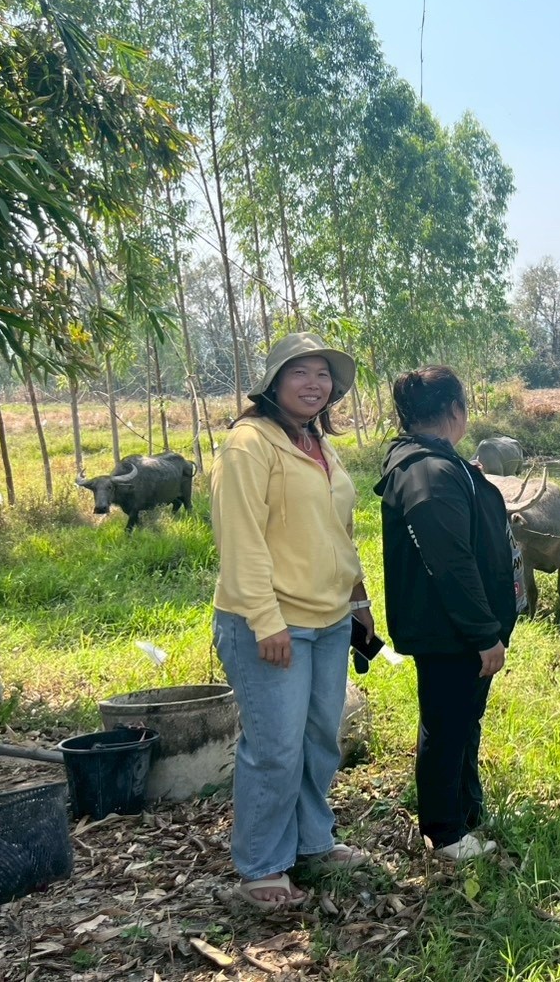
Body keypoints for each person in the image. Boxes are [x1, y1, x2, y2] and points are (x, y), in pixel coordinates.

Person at [211, 332, 371, 910]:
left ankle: (312, 840)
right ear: (274, 383)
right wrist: (264, 620)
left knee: (318, 738)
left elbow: (337, 532)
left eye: (323, 375)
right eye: (300, 373)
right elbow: (242, 540)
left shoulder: (316, 445)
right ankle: (260, 866)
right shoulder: (248, 444)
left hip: (328, 619)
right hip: (272, 623)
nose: (314, 384)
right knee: (275, 746)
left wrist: (358, 598)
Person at [375, 367, 524, 862]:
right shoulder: (426, 471)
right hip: (450, 630)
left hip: (455, 627)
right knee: (446, 726)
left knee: (461, 721)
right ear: (456, 410)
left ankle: (465, 812)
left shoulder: (437, 463)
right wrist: (484, 632)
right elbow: (450, 561)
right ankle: (445, 834)